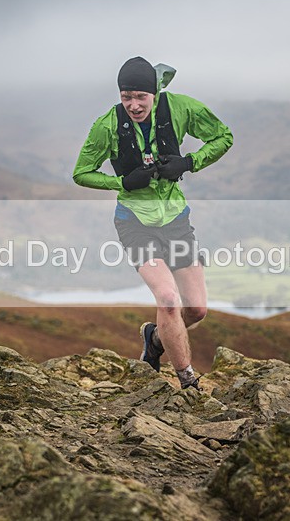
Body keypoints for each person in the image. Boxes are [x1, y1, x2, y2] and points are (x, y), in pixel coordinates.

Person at [73, 56, 233, 390]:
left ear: (153, 94)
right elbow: (81, 173)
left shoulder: (179, 108)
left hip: (175, 219)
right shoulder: (107, 125)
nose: (132, 105)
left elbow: (223, 136)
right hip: (134, 221)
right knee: (168, 299)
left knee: (197, 310)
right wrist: (122, 183)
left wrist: (189, 162)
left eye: (140, 97)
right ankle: (187, 381)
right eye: (125, 96)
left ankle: (155, 339)